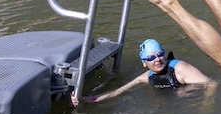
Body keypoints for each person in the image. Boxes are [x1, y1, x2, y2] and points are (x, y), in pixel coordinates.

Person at [71, 38, 213, 105]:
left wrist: (206, 103)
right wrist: (85, 99)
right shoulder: (146, 77)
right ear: (144, 63)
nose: (157, 59)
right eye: (151, 57)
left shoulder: (180, 69)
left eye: (160, 54)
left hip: (189, 98)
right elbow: (118, 92)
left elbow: (211, 84)